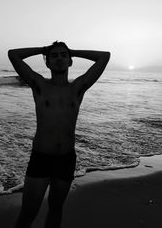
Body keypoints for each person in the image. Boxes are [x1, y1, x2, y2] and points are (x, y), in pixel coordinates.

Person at [8, 41, 110, 228]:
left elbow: (104, 56)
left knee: (56, 208)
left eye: (63, 55)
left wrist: (73, 51)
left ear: (70, 61)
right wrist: (42, 50)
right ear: (47, 63)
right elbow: (13, 54)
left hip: (66, 159)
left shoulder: (78, 88)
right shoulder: (39, 85)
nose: (59, 58)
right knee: (28, 212)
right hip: (41, 157)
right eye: (54, 56)